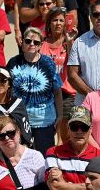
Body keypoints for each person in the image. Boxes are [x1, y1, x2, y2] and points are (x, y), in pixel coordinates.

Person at [45, 106, 100, 190]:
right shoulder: (53, 152)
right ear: (68, 129)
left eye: (83, 127)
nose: (79, 131)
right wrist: (90, 188)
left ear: (90, 129)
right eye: (74, 127)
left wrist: (65, 185)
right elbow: (55, 189)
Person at [7, 27, 63, 155]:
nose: (32, 44)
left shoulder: (48, 63)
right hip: (19, 120)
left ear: (40, 46)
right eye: (28, 41)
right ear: (22, 43)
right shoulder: (13, 62)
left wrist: (60, 115)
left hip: (44, 121)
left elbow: (57, 91)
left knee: (44, 158)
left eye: (36, 42)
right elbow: (6, 90)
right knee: (19, 158)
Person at [41, 6, 78, 143]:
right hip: (47, 93)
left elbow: (75, 61)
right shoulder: (42, 44)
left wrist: (69, 41)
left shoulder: (70, 42)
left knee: (65, 135)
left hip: (66, 93)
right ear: (49, 24)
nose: (58, 23)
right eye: (54, 20)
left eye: (61, 20)